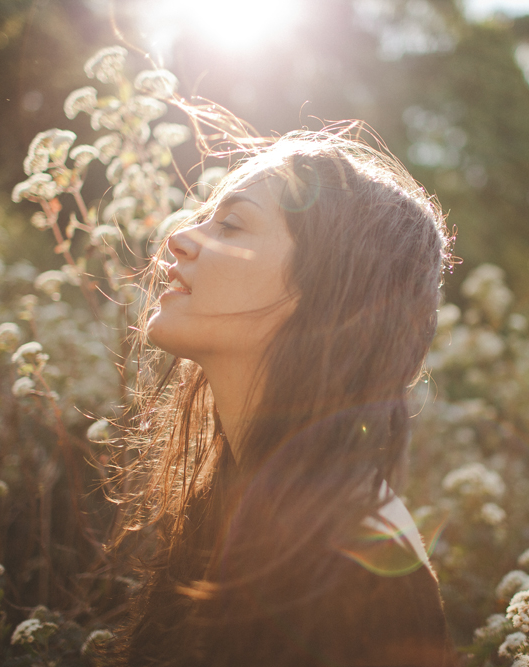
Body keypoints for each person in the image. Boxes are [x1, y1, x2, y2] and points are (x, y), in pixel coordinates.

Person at [112, 128, 457, 667]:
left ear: (324, 293)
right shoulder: (239, 503)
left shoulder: (359, 574)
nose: (178, 237)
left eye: (230, 223)